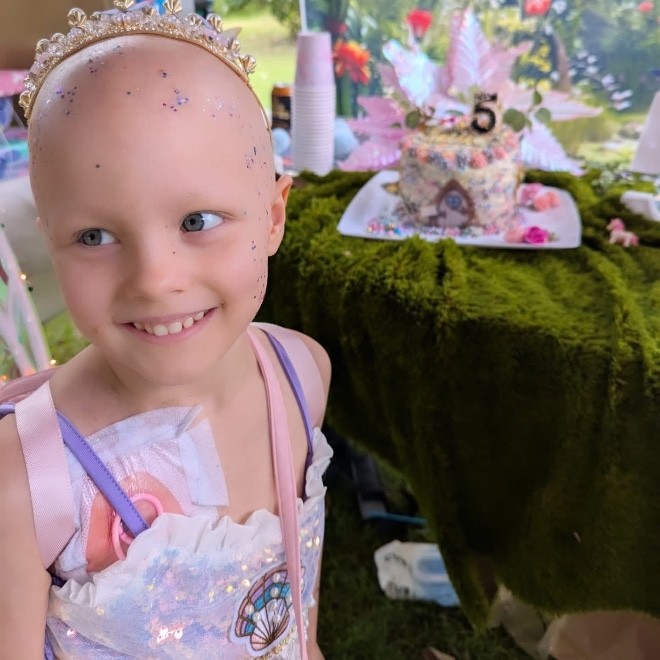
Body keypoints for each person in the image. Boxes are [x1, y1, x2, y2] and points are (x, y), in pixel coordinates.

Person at [0, 2, 332, 658]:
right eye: (94, 236)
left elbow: (298, 615)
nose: (154, 278)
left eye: (197, 221)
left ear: (273, 216)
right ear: (50, 241)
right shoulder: (27, 482)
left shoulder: (300, 376)